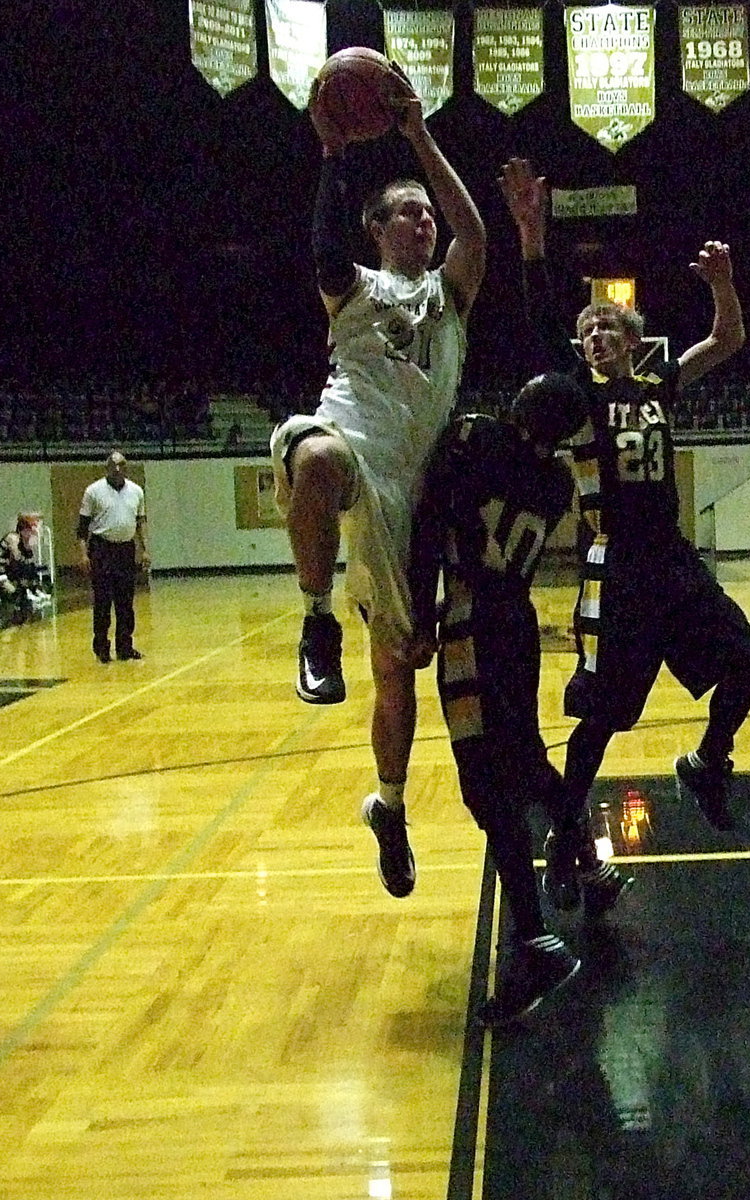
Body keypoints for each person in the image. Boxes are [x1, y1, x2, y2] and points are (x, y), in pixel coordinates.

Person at [499, 157, 750, 874]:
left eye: (605, 328)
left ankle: (709, 762)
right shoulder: (579, 395)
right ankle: (564, 828)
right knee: (608, 715)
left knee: (747, 664)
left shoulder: (657, 382)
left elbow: (728, 340)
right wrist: (532, 236)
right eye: (585, 332)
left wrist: (722, 284)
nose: (593, 337)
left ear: (630, 336)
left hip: (673, 558)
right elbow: (538, 323)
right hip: (615, 566)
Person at [268, 74, 485, 897]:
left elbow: (475, 230)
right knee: (315, 459)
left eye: (425, 212)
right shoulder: (352, 285)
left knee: (400, 667)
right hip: (353, 441)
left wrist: (420, 138)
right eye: (406, 210)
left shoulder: (452, 296)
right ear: (377, 228)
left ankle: (389, 807)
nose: (423, 220)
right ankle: (315, 621)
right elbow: (323, 243)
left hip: (414, 488)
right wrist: (331, 152)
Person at [408, 374, 635, 1024]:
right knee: (522, 764)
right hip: (517, 623)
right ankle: (583, 865)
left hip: (474, 622)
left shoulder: (477, 437)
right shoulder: (556, 481)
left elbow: (428, 522)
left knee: (489, 783)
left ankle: (539, 938)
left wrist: (420, 616)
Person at [77, 450, 150, 663]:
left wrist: (145, 548)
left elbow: (141, 522)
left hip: (126, 550)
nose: (117, 469)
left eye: (121, 465)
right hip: (101, 549)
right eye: (113, 465)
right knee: (102, 601)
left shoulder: (136, 491)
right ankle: (101, 647)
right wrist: (83, 555)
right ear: (107, 468)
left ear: (126, 468)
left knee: (125, 602)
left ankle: (125, 646)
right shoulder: (93, 491)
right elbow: (82, 528)